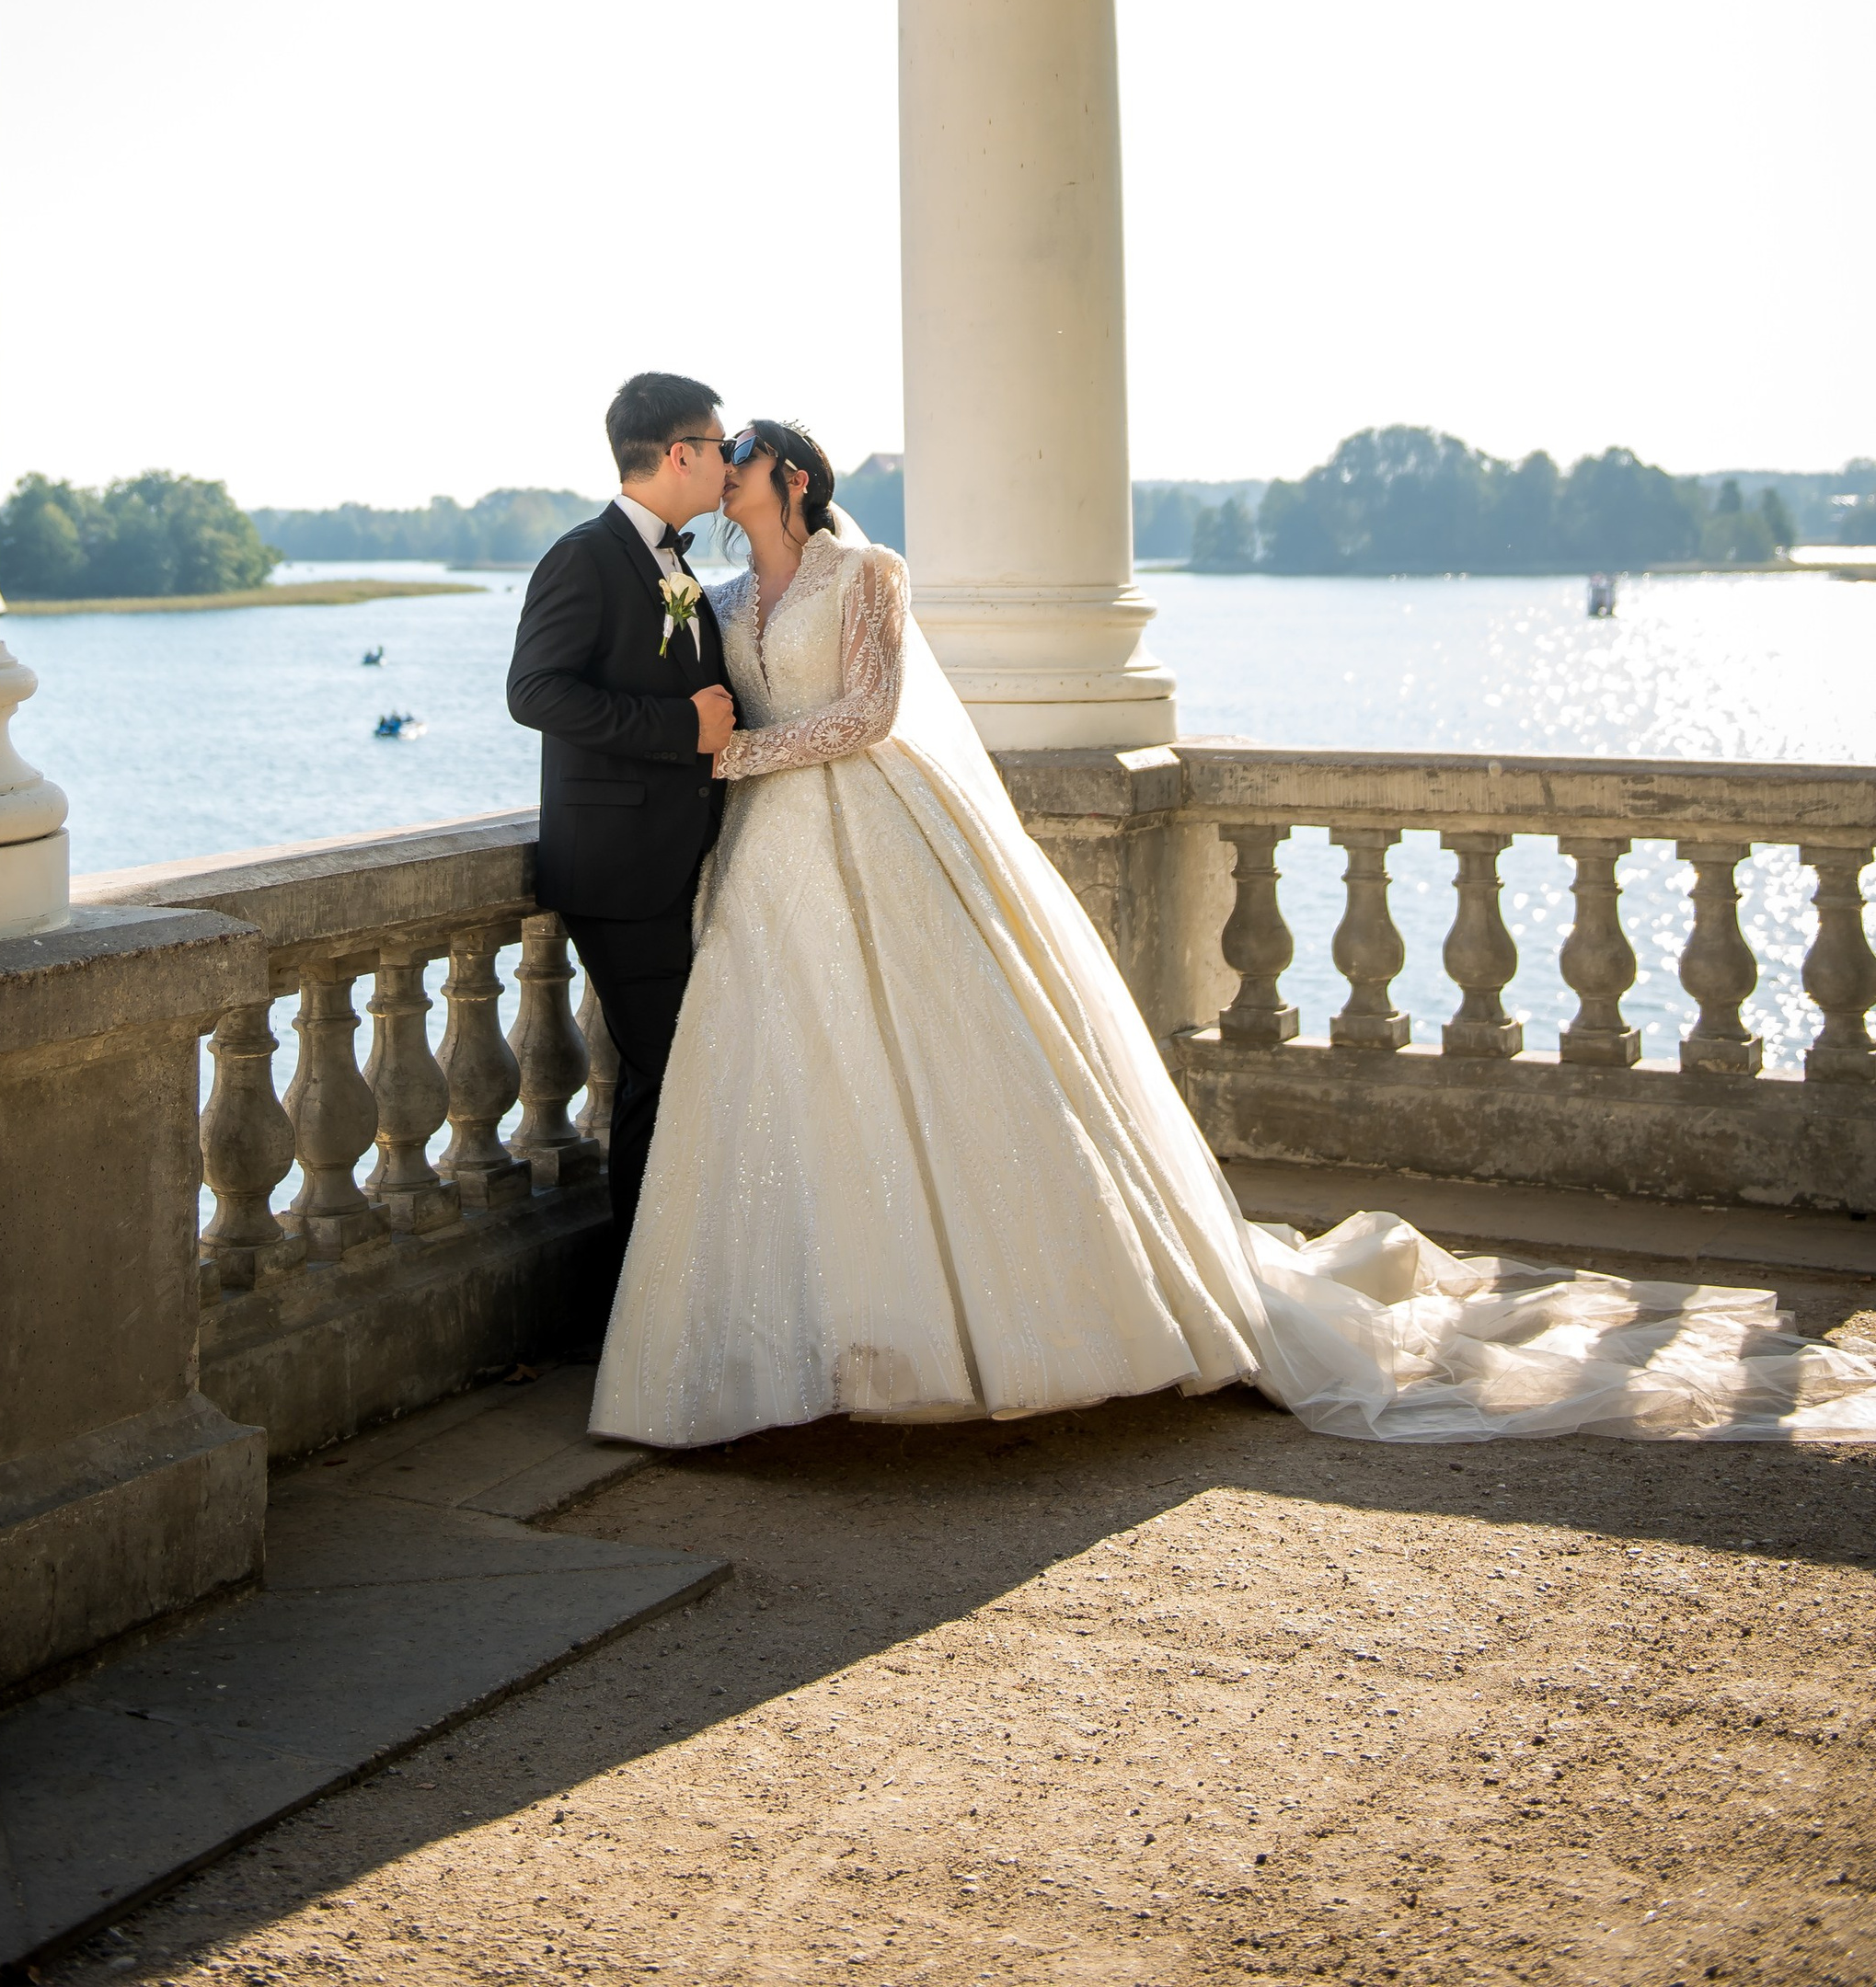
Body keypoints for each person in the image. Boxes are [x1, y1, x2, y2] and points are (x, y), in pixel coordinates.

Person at [593, 419, 1876, 1453]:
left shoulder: (866, 573)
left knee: (941, 1064)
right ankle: (803, 1343)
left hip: (877, 826)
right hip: (773, 861)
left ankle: (997, 1334)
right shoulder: (708, 588)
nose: (721, 476)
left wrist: (746, 746)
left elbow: (873, 710)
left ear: (789, 476)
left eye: (738, 459)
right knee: (791, 1078)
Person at [505, 373, 739, 1276]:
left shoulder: (671, 565)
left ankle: (657, 1301)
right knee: (672, 1073)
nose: (727, 463)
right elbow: (534, 693)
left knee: (660, 1081)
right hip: (619, 872)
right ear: (679, 452)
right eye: (718, 447)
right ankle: (650, 1299)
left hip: (682, 863)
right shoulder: (584, 556)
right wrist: (682, 728)